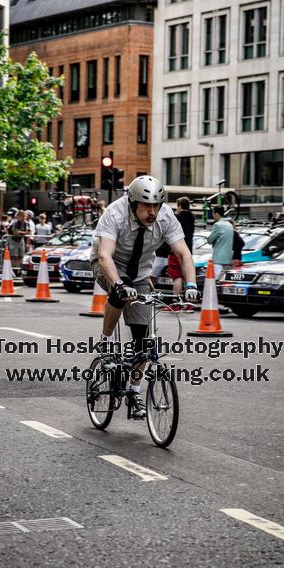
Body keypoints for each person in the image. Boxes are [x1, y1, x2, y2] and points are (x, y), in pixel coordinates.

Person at [90, 175, 198, 418]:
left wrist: (191, 283)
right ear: (132, 203)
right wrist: (118, 284)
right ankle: (105, 339)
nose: (152, 212)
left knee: (144, 343)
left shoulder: (166, 217)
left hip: (140, 273)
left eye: (156, 206)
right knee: (120, 293)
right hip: (109, 265)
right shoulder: (115, 214)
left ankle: (134, 391)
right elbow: (105, 255)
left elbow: (183, 253)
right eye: (146, 206)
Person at [163, 196, 195, 313]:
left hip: (177, 250)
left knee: (177, 277)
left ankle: (176, 303)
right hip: (188, 251)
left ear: (179, 206)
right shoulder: (191, 218)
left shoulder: (177, 217)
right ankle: (189, 303)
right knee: (187, 277)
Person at [208, 206, 234, 280]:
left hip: (218, 258)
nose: (213, 215)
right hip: (228, 257)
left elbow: (210, 240)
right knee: (224, 280)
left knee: (217, 280)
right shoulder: (229, 225)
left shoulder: (217, 225)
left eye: (213, 213)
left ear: (216, 214)